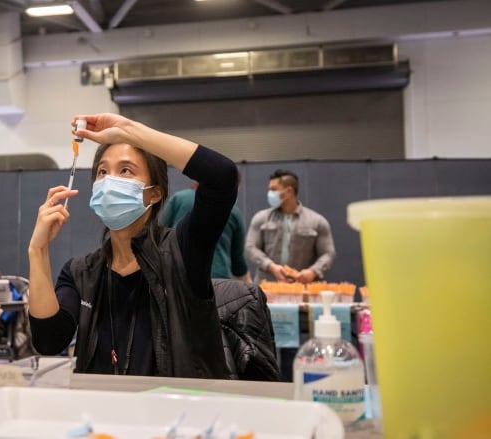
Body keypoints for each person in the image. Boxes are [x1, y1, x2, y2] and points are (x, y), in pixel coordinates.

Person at [28, 113, 238, 378]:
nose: (109, 181)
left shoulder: (181, 251)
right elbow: (49, 341)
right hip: (103, 413)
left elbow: (222, 177)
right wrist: (38, 251)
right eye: (102, 172)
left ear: (155, 193)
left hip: (173, 412)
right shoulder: (81, 272)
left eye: (125, 170)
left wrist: (128, 129)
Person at [245, 169, 335, 284]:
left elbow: (328, 253)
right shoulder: (261, 218)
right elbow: (250, 247)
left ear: (289, 191)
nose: (269, 194)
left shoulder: (317, 221)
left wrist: (313, 271)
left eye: (273, 189)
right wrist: (270, 266)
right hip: (267, 286)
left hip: (301, 287)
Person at [160, 181, 252, 283]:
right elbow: (238, 264)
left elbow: (158, 235)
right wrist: (252, 288)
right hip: (218, 281)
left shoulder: (179, 199)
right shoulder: (233, 211)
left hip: (177, 276)